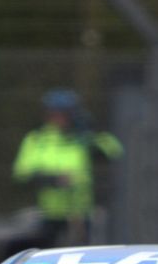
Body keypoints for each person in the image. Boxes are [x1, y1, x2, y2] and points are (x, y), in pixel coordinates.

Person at [12, 88, 122, 248]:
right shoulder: (37, 140)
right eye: (54, 113)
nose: (59, 118)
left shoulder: (84, 138)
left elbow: (114, 151)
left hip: (79, 214)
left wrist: (93, 132)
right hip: (49, 213)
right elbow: (22, 173)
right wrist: (53, 180)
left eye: (64, 113)